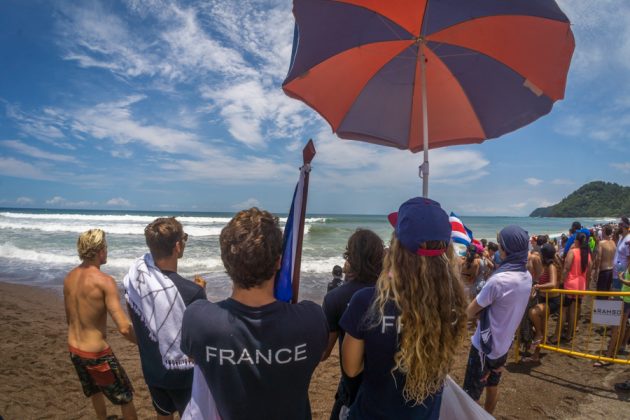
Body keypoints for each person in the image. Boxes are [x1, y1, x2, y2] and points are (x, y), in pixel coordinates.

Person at [180, 208, 328, 419]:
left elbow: (194, 355)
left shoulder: (198, 320)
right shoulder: (311, 319)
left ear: (225, 261)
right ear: (279, 261)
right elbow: (320, 354)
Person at [340, 197, 467, 418]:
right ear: (446, 250)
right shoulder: (454, 302)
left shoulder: (368, 301)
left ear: (397, 249)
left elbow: (351, 368)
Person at [123, 217, 207, 419]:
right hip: (184, 376)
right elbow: (197, 338)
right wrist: (201, 294)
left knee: (163, 414)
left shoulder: (135, 285)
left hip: (153, 370)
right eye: (184, 239)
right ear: (177, 246)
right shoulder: (192, 292)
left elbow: (141, 326)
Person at [64, 229, 137, 420]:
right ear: (99, 250)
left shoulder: (69, 277)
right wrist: (144, 343)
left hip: (74, 349)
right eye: (105, 247)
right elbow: (123, 327)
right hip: (97, 355)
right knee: (125, 397)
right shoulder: (105, 282)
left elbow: (69, 319)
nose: (107, 250)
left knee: (95, 390)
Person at [463, 225, 532, 414]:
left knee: (470, 396)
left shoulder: (499, 280)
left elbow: (470, 311)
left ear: (505, 250)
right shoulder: (527, 276)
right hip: (503, 346)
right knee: (492, 387)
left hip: (483, 347)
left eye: (501, 244)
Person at [322, 229, 384, 420]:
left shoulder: (335, 298)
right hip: (388, 388)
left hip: (352, 388)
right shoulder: (394, 295)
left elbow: (324, 352)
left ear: (350, 257)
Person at [525, 243, 561, 363]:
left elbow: (553, 283)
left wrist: (538, 287)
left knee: (533, 312)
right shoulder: (545, 266)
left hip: (551, 301)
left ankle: (539, 334)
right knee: (542, 325)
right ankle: (535, 355)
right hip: (543, 299)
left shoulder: (551, 266)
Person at [560, 232, 591, 342]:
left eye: (574, 240)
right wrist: (586, 286)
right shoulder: (587, 254)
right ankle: (569, 334)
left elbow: (566, 268)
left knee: (563, 310)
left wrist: (561, 280)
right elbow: (589, 271)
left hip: (570, 284)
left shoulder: (572, 252)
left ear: (577, 241)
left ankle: (557, 334)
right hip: (580, 285)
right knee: (573, 311)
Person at [593, 225, 617, 298]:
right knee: (606, 293)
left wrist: (596, 271)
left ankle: (599, 308)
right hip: (611, 270)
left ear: (604, 232)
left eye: (603, 231)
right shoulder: (613, 243)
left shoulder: (601, 243)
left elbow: (599, 258)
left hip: (603, 271)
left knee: (600, 294)